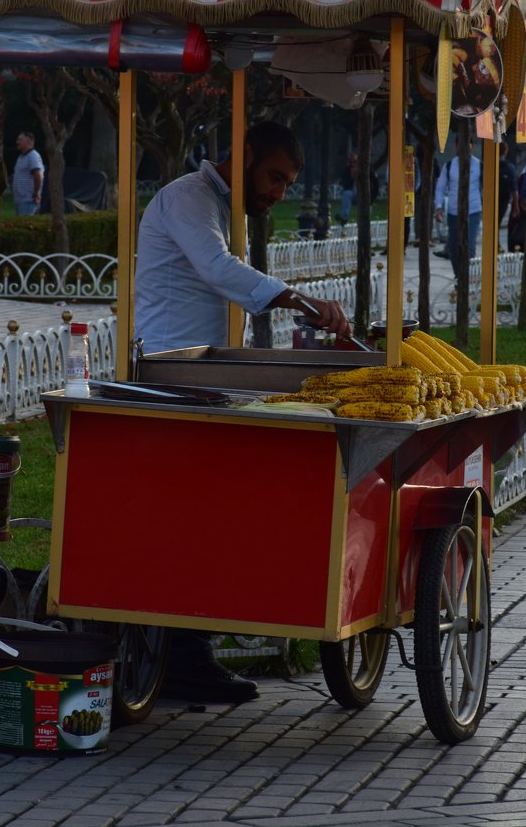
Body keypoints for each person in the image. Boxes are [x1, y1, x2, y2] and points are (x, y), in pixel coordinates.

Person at [134, 120, 352, 703]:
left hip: (201, 380)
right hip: (167, 380)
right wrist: (300, 300)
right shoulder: (188, 197)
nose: (279, 192)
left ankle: (190, 647)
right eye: (275, 177)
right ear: (246, 154)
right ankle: (181, 655)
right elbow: (219, 268)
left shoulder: (223, 208)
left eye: (288, 184)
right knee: (188, 519)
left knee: (209, 516)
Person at [433, 135, 483, 279]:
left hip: (473, 211)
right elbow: (440, 188)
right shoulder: (449, 166)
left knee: (469, 247)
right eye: (460, 144)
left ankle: (468, 279)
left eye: (468, 144)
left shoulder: (479, 165)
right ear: (456, 146)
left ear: (472, 146)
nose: (464, 147)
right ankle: (458, 277)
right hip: (454, 213)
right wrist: (439, 207)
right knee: (454, 248)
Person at [336, 151, 379, 225]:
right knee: (346, 194)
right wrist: (352, 177)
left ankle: (363, 223)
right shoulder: (347, 170)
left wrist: (372, 199)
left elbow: (376, 184)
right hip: (354, 195)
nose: (353, 164)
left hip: (366, 196)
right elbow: (345, 186)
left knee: (364, 220)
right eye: (351, 162)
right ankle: (344, 217)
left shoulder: (367, 170)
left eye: (355, 162)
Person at [12, 132, 44, 215]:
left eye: (20, 140)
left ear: (28, 142)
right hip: (20, 200)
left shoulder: (33, 156)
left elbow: (38, 176)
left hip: (28, 200)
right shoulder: (21, 157)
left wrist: (36, 194)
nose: (17, 142)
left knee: (26, 222)